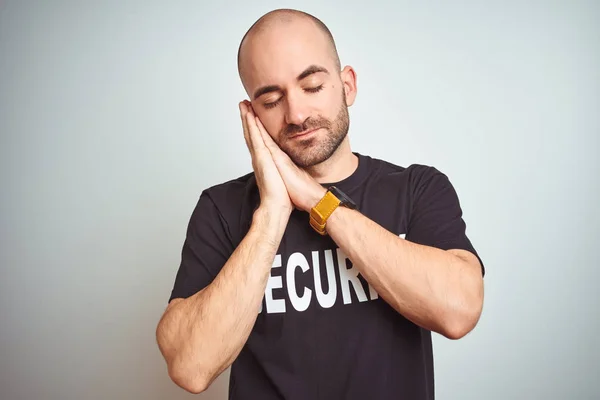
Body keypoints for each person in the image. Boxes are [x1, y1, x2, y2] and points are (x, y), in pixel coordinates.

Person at [156, 8, 485, 400]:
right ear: (251, 114)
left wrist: (317, 200)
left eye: (312, 86)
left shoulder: (416, 188)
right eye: (271, 99)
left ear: (347, 85)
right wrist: (273, 212)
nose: (296, 114)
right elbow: (190, 367)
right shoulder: (222, 208)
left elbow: (459, 310)